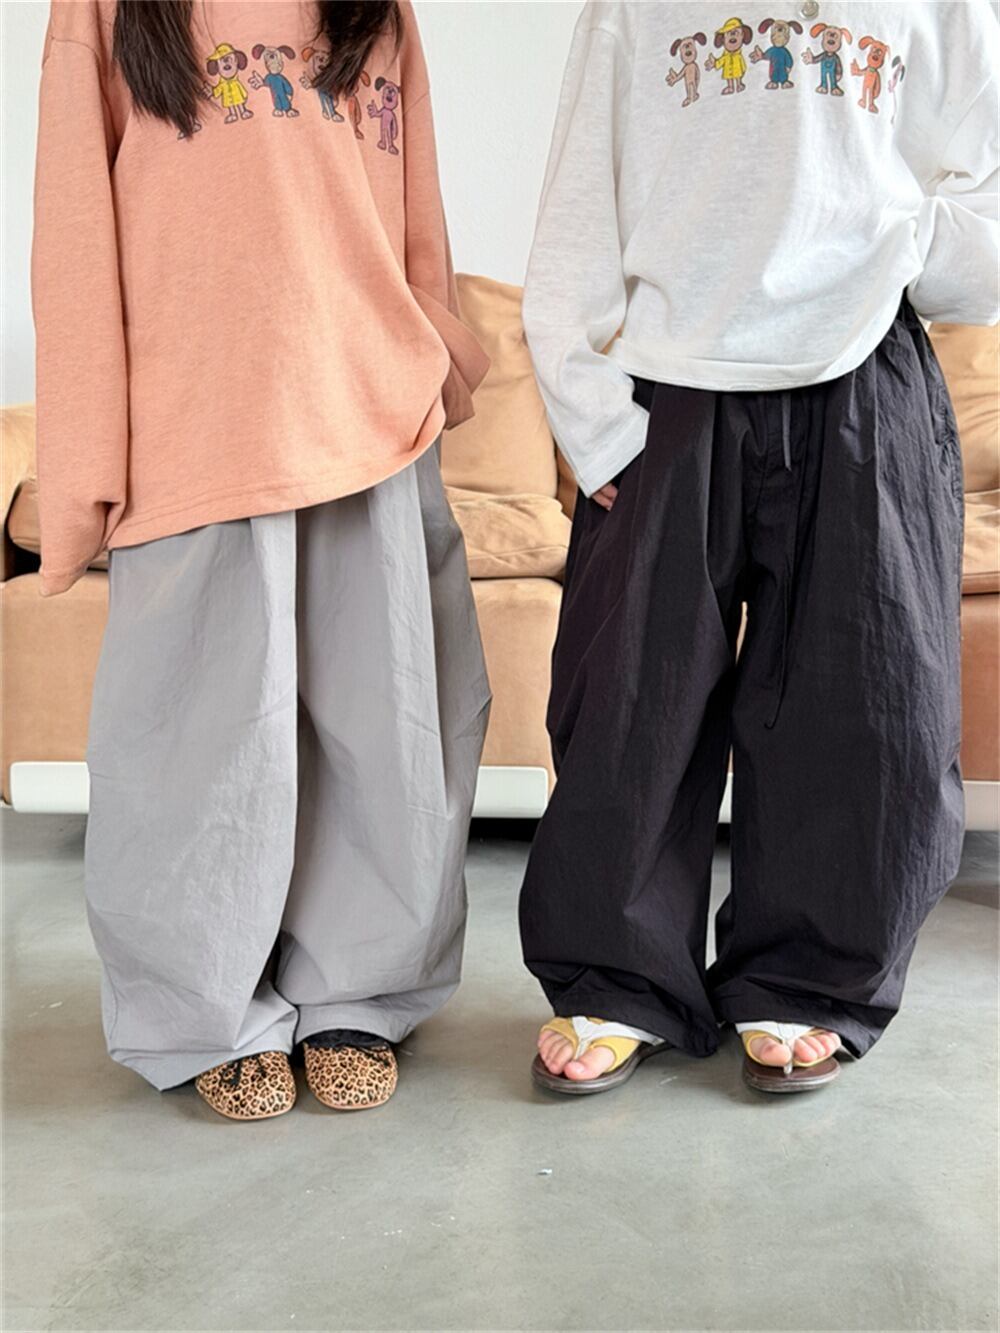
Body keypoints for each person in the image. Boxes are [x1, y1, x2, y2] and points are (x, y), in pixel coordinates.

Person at [520, 1, 999, 1095]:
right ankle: (616, 976)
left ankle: (808, 978)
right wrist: (590, 416)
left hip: (863, 375)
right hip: (667, 388)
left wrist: (897, 228)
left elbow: (985, 202)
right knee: (626, 703)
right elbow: (580, 200)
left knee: (867, 708)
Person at [32, 0, 490, 1120]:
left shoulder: (374, 9)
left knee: (385, 733)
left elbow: (412, 208)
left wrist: (434, 354)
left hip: (370, 407)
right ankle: (207, 1013)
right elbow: (74, 232)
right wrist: (87, 457)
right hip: (194, 422)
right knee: (196, 748)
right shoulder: (105, 9)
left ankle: (359, 994)